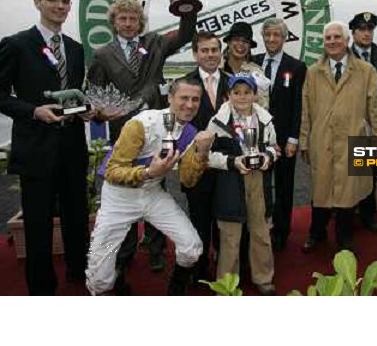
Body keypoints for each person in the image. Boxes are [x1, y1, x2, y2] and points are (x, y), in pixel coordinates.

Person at [0, 0, 91, 295]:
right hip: (36, 148)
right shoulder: (16, 44)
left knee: (76, 218)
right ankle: (42, 288)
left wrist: (85, 109)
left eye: (65, 1)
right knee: (37, 224)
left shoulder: (74, 49)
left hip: (72, 146)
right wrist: (33, 111)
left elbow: (72, 95)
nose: (60, 6)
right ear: (37, 3)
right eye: (52, 0)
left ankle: (79, 273)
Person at [87, 0, 196, 285]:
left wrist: (186, 6)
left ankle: (156, 250)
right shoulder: (101, 55)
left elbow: (186, 35)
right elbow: (96, 94)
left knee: (155, 186)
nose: (127, 24)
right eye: (122, 19)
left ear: (140, 23)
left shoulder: (156, 43)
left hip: (158, 132)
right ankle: (123, 258)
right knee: (122, 187)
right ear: (114, 22)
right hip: (124, 133)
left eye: (132, 19)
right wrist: (99, 113)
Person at [85, 77, 214, 295]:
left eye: (195, 99)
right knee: (100, 282)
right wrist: (148, 172)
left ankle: (175, 291)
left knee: (192, 248)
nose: (190, 105)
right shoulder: (142, 123)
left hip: (152, 195)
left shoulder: (191, 133)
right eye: (184, 98)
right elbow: (112, 171)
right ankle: (116, 281)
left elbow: (187, 180)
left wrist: (201, 153)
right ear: (170, 98)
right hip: (119, 198)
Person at [300, 21, 377, 254]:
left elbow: (374, 108)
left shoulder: (366, 71)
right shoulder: (313, 72)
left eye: (337, 37)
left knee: (347, 194)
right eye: (328, 38)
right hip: (322, 141)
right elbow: (306, 110)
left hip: (352, 139)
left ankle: (344, 237)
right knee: (321, 190)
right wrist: (304, 140)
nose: (332, 41)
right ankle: (316, 233)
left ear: (346, 41)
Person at [207, 73, 279, 295]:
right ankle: (226, 284)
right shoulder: (217, 122)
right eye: (236, 92)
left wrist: (267, 158)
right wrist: (233, 162)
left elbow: (274, 148)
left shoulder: (265, 119)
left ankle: (263, 277)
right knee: (230, 234)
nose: (242, 97)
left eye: (247, 92)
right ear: (228, 95)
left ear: (255, 95)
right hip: (230, 181)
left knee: (261, 231)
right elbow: (207, 155)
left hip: (258, 180)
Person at [180, 31, 231, 284]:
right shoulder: (184, 83)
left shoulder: (234, 82)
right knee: (198, 221)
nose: (210, 55)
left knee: (224, 222)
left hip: (227, 167)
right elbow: (178, 121)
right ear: (195, 53)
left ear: (221, 52)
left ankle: (225, 271)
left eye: (214, 50)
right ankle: (198, 271)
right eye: (205, 50)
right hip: (196, 164)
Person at [253, 18, 307, 251]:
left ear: (284, 39)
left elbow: (298, 107)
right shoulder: (252, 64)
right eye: (268, 35)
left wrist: (294, 139)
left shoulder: (296, 67)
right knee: (259, 187)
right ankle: (260, 229)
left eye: (277, 35)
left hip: (285, 140)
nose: (272, 39)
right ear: (263, 38)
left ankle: (281, 233)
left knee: (284, 188)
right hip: (256, 139)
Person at [348, 11, 377, 232]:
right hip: (349, 123)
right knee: (347, 171)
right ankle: (346, 210)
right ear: (353, 32)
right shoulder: (342, 60)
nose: (366, 33)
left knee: (371, 172)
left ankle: (368, 214)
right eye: (361, 29)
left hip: (372, 125)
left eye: (369, 29)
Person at [222, 21, 270, 108]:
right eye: (236, 40)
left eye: (245, 41)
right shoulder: (216, 68)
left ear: (249, 46)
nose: (240, 44)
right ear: (228, 42)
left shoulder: (257, 72)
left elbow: (264, 108)